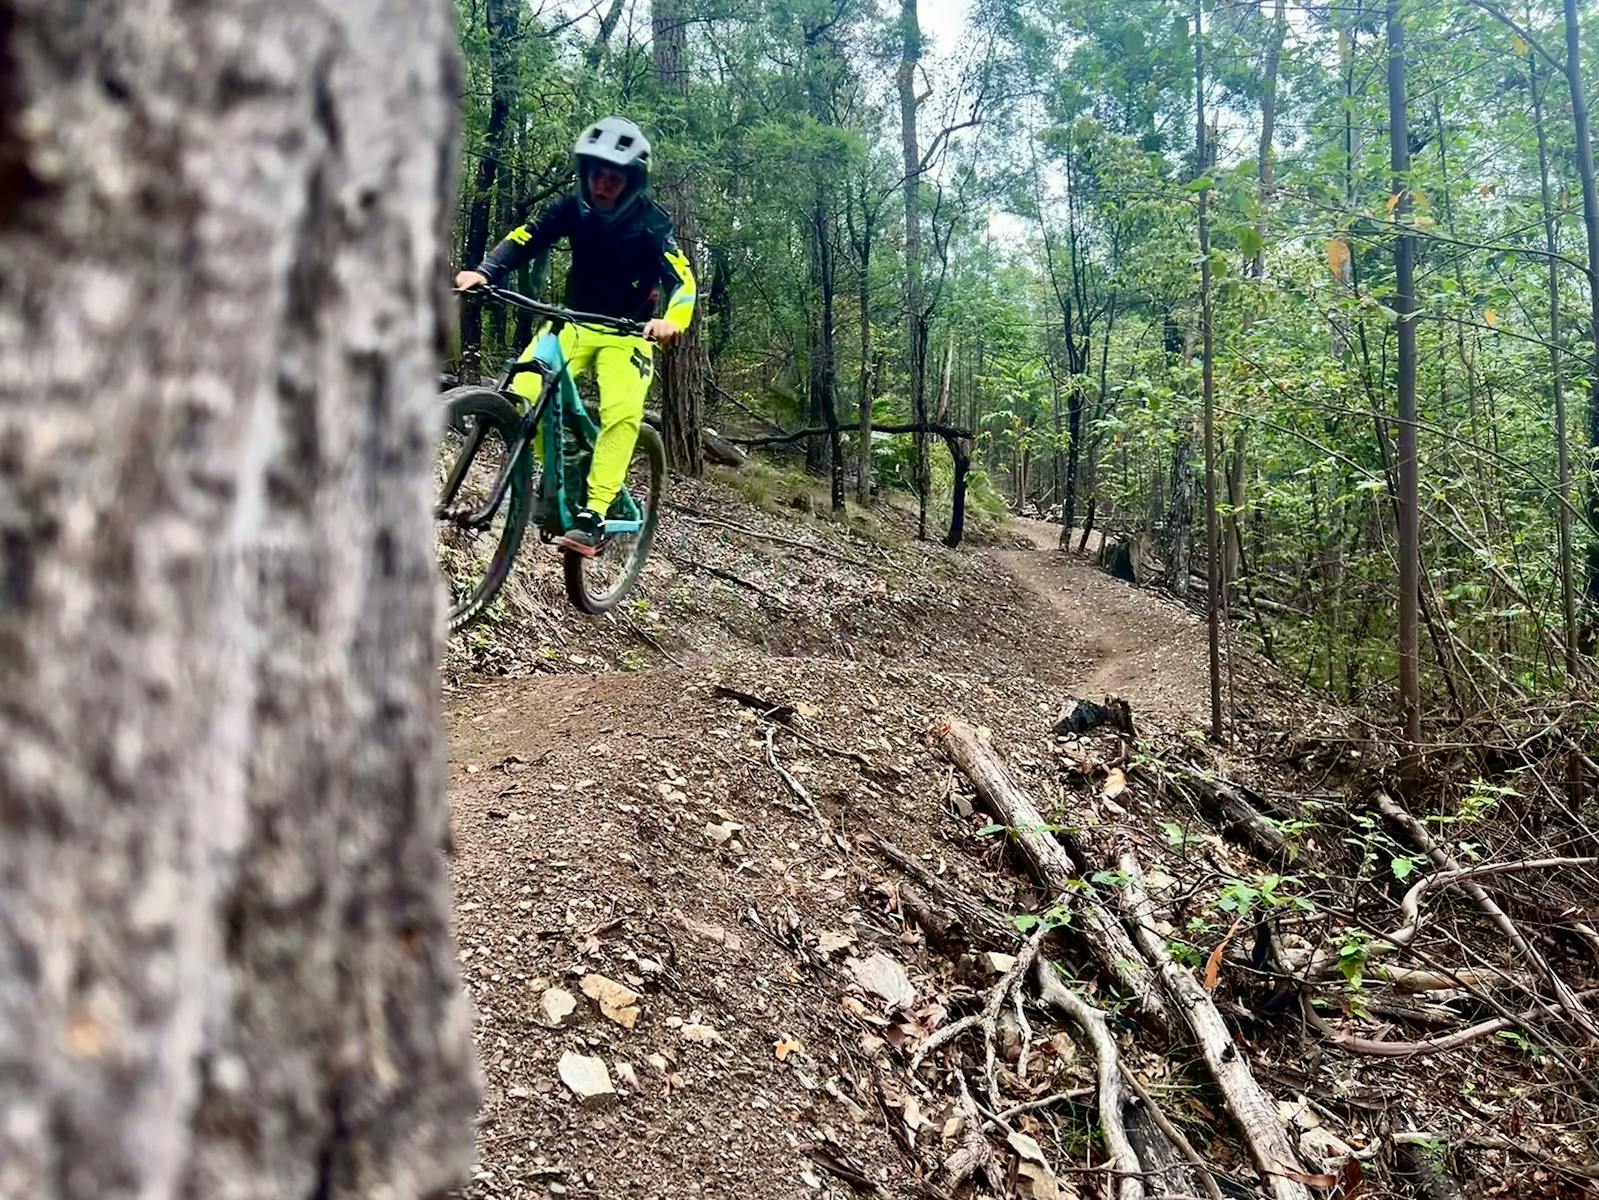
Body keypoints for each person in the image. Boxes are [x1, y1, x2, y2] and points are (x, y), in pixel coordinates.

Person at [454, 116, 696, 554]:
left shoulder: (651, 223)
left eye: (614, 177)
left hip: (628, 334)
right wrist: (486, 272)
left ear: (631, 181)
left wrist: (671, 321)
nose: (603, 185)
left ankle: (596, 512)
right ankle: (556, 479)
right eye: (596, 174)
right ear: (585, 173)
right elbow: (525, 238)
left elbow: (683, 281)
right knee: (522, 388)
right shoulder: (569, 209)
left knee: (622, 411)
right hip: (572, 321)